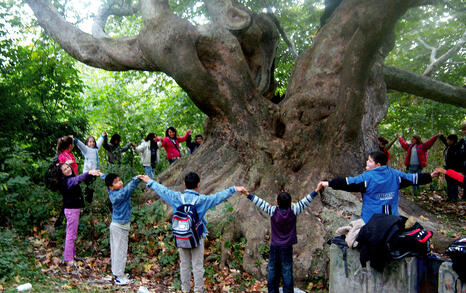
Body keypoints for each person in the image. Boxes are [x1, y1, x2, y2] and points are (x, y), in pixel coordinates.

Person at [140, 172, 246, 293]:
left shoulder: (176, 197)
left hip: (181, 236)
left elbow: (163, 191)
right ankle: (198, 290)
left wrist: (150, 181)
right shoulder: (202, 200)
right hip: (197, 237)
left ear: (184, 185)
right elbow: (218, 197)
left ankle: (185, 289)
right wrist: (234, 189)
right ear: (198, 185)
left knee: (184, 265)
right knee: (197, 266)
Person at [241, 185, 322, 293]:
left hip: (274, 246)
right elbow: (306, 201)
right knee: (287, 270)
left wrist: (247, 194)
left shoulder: (272, 210)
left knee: (272, 269)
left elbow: (259, 202)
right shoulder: (294, 210)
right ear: (290, 203)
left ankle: (272, 290)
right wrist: (316, 190)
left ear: (277, 203)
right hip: (287, 247)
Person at [318, 151, 432, 223]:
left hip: (371, 221)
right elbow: (413, 178)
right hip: (392, 221)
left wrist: (328, 183)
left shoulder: (367, 178)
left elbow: (348, 183)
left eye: (370, 161)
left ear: (377, 165)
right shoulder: (395, 175)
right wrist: (430, 176)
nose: (366, 162)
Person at [101, 172, 143, 285]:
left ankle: (118, 273)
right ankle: (119, 276)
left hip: (119, 225)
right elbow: (128, 189)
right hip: (119, 227)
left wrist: (101, 175)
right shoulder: (118, 195)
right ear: (111, 187)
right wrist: (136, 179)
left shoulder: (111, 190)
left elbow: (106, 180)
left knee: (117, 250)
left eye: (119, 180)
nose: (120, 182)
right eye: (116, 182)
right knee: (120, 251)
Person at [56, 163, 101, 265]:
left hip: (74, 210)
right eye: (64, 169)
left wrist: (90, 174)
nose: (68, 169)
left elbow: (78, 179)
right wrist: (88, 172)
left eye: (68, 167)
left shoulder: (70, 179)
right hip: (71, 210)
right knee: (71, 235)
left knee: (72, 234)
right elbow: (78, 179)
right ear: (62, 173)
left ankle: (72, 255)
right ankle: (68, 259)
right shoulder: (66, 181)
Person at [74, 132, 105, 202]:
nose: (92, 143)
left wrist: (102, 136)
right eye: (90, 142)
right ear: (87, 143)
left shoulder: (96, 149)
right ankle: (87, 201)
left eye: (93, 141)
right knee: (88, 188)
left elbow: (99, 142)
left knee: (92, 187)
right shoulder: (86, 149)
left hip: (95, 172)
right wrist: (75, 139)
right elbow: (80, 145)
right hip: (88, 173)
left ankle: (88, 201)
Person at [439, 134, 462, 202]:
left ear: (452, 141)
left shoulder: (455, 147)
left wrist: (462, 140)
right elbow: (445, 142)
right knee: (449, 183)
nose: (447, 141)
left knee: (454, 183)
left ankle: (455, 197)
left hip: (453, 168)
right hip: (447, 168)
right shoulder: (449, 146)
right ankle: (450, 196)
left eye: (448, 140)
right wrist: (441, 136)